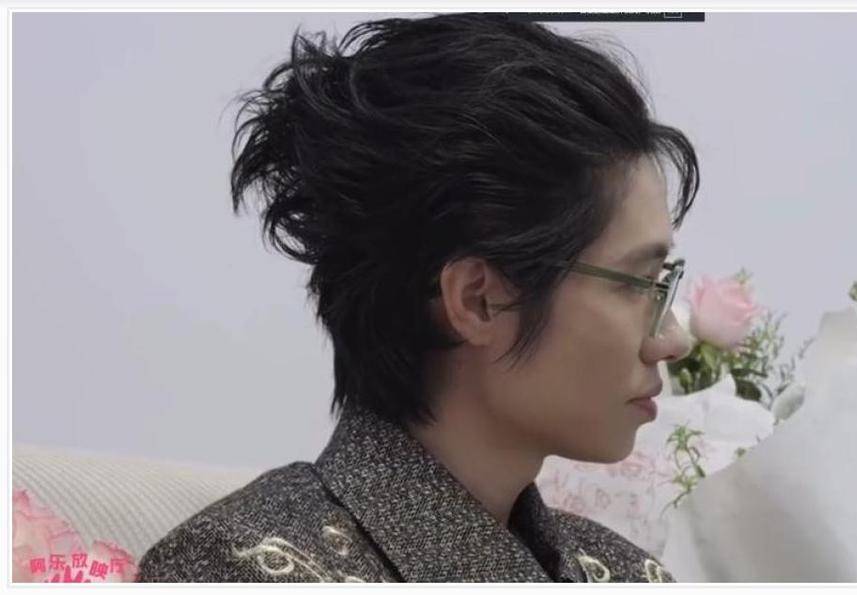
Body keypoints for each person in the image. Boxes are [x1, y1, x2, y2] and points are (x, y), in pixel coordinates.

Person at [136, 12, 699, 583]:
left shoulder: (627, 572)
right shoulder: (245, 567)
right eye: (640, 283)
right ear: (478, 301)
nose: (672, 339)